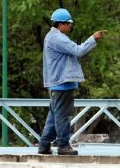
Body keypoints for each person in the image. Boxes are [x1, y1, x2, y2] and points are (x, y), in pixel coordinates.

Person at [38, 8, 106, 155]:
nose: (70, 26)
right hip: (62, 83)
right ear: (60, 24)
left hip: (58, 83)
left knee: (54, 116)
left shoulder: (52, 37)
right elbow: (78, 51)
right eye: (68, 24)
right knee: (62, 115)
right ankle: (63, 145)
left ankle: (44, 145)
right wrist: (93, 38)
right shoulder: (58, 38)